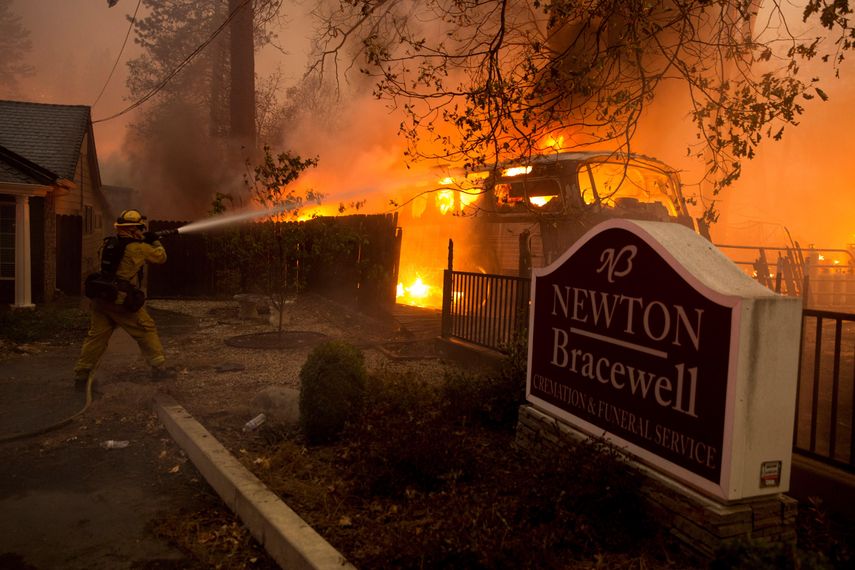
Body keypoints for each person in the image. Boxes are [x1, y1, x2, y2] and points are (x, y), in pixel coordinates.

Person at [73, 209, 175, 389]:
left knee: (96, 337)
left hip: (101, 298)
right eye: (140, 229)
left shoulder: (109, 243)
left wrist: (143, 239)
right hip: (120, 302)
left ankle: (82, 375)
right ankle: (159, 368)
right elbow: (161, 257)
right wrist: (154, 240)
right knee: (146, 328)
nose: (142, 232)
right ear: (133, 229)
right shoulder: (138, 248)